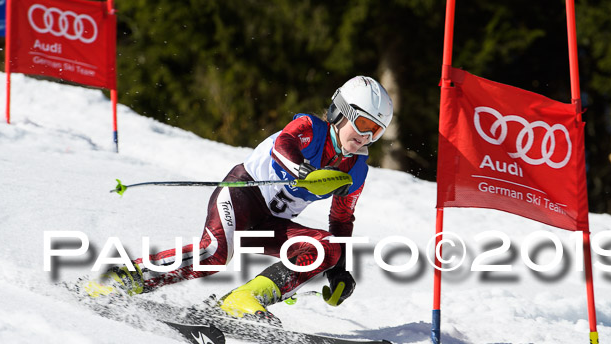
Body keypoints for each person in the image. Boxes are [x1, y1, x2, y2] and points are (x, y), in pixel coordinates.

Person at [83, 76, 393, 326]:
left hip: (271, 223)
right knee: (215, 254)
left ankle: (243, 300)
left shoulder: (356, 169)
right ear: (341, 112)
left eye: (376, 131)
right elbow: (283, 143)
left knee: (325, 247)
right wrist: (299, 168)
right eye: (364, 125)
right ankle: (121, 278)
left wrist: (340, 267)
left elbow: (341, 219)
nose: (367, 137)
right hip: (241, 195)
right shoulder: (312, 129)